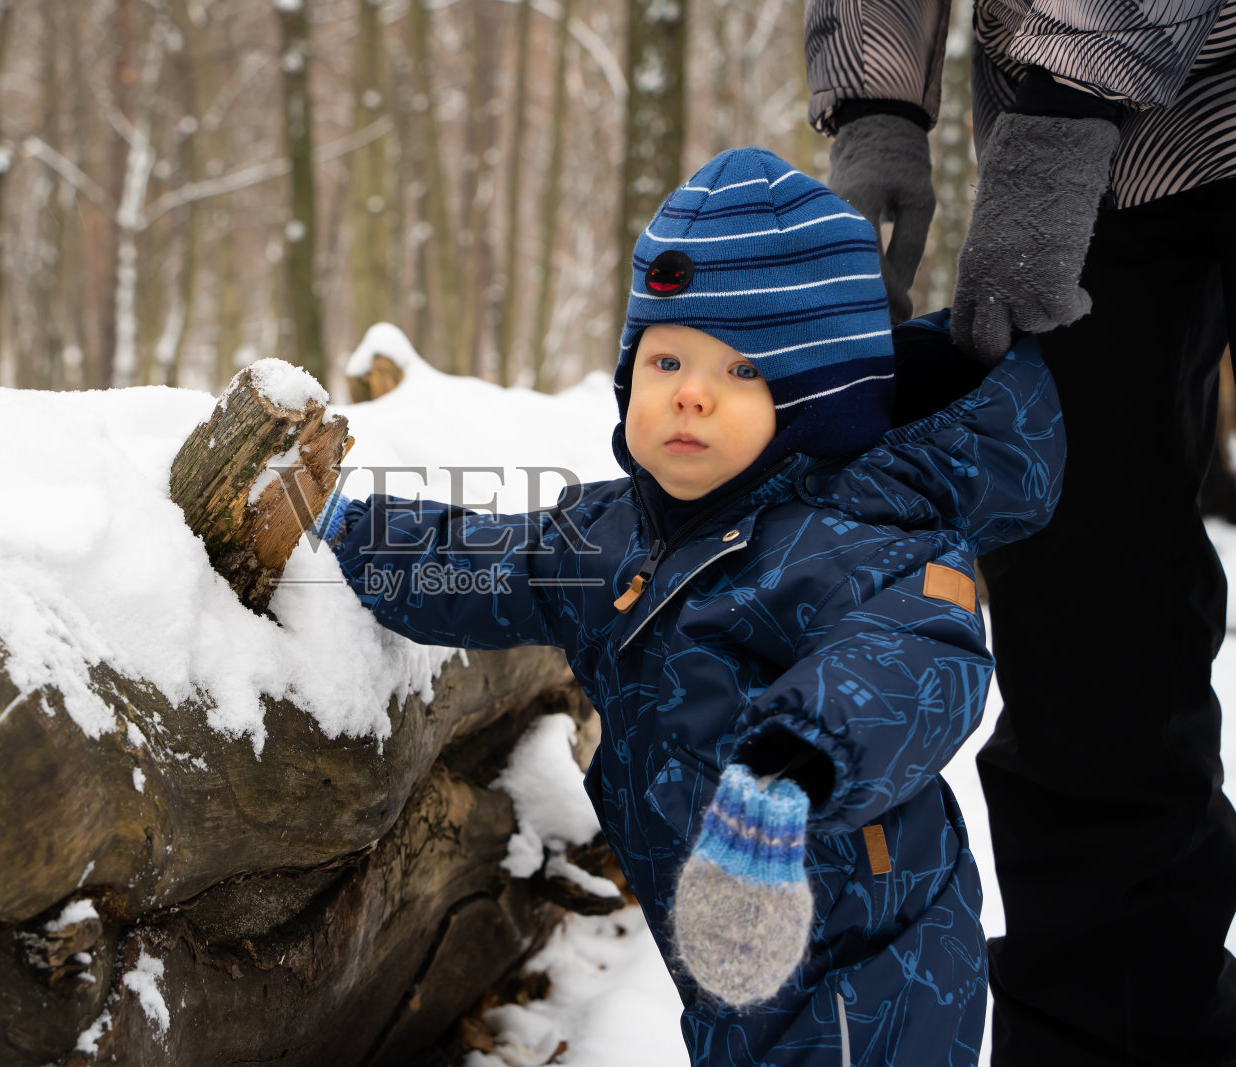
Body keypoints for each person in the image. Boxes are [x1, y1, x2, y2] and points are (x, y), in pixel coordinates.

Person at [309, 147, 1064, 1063]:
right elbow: (487, 557)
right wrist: (343, 531)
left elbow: (915, 657)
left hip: (870, 979)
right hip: (723, 962)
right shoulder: (612, 535)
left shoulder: (868, 534)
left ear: (820, 400)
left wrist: (792, 764)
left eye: (743, 370)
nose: (691, 394)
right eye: (666, 359)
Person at [805, 3, 1236, 1062]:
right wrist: (876, 97)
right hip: (1115, 171)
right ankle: (1116, 1033)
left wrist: (1066, 104)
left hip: (1076, 119)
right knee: (1086, 611)